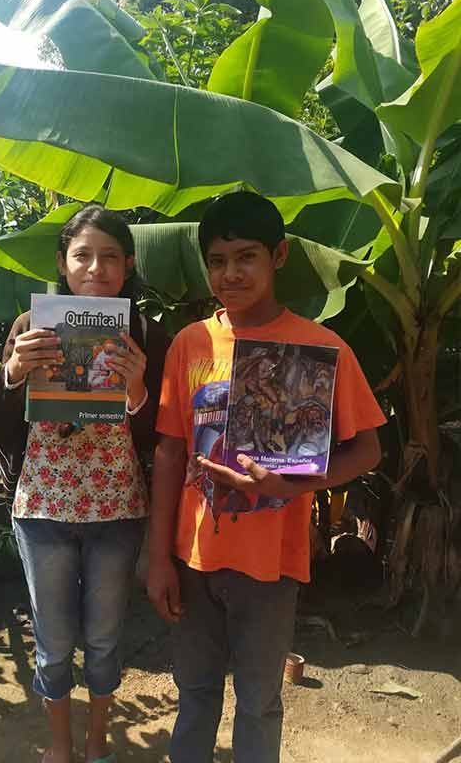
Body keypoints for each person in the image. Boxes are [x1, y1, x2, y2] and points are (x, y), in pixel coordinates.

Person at [147, 192, 385, 763]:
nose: (231, 273)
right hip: (193, 556)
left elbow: (368, 450)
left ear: (278, 256)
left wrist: (293, 487)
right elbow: (170, 453)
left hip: (271, 563)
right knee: (195, 693)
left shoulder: (321, 348)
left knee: (259, 701)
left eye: (246, 257)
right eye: (218, 260)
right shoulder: (190, 344)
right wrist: (156, 556)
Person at [0, 205, 170, 763]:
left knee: (106, 640)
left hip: (116, 511)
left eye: (110, 256)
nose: (96, 267)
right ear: (63, 265)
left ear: (128, 264)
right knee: (55, 643)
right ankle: (60, 750)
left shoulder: (142, 333)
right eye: (82, 255)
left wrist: (137, 389)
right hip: (42, 509)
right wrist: (13, 373)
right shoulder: (28, 328)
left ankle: (97, 746)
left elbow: (161, 434)